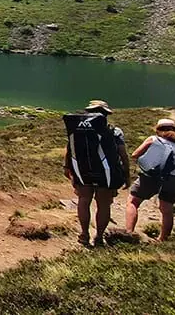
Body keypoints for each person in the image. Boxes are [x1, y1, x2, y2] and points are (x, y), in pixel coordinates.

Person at [64, 100, 130, 247]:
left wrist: (68, 168)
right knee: (104, 205)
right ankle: (99, 237)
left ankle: (84, 234)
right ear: (106, 114)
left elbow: (69, 149)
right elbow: (123, 155)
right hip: (106, 174)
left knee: (84, 200)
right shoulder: (115, 131)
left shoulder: (77, 128)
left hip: (82, 171)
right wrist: (126, 175)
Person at [125, 119, 175, 242]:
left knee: (133, 202)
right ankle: (162, 239)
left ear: (158, 130)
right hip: (172, 179)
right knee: (167, 210)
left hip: (150, 177)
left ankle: (129, 233)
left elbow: (135, 154)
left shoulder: (153, 139)